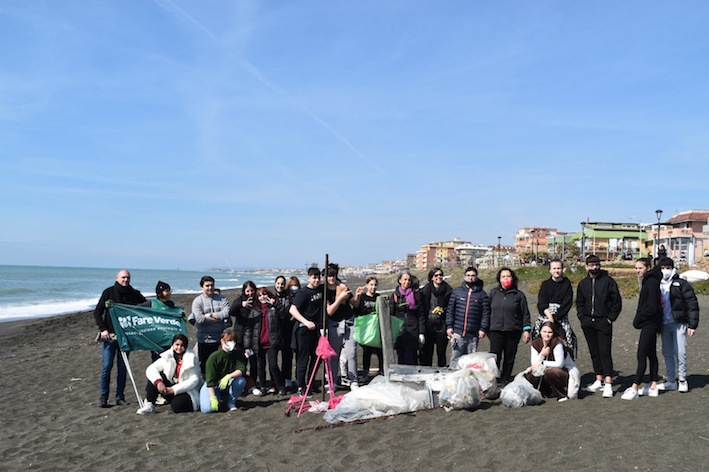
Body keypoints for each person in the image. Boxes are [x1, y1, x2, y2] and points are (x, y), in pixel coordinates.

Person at [93, 269, 147, 408]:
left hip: (125, 337)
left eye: (128, 277)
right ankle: (103, 397)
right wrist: (103, 329)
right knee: (107, 366)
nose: (125, 280)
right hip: (110, 337)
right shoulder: (108, 292)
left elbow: (147, 306)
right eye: (123, 277)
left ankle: (120, 397)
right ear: (117, 278)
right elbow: (98, 312)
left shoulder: (133, 293)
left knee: (123, 367)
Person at [576, 254, 622, 398]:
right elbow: (579, 302)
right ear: (586, 266)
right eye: (591, 265)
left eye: (596, 265)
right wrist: (582, 318)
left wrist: (610, 318)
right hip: (588, 322)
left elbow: (617, 301)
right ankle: (598, 378)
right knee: (594, 351)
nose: (594, 267)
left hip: (604, 321)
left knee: (604, 351)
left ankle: (608, 382)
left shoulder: (608, 281)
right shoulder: (583, 283)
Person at [621, 258, 663, 400]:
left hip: (650, 323)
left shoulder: (651, 282)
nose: (638, 270)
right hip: (650, 322)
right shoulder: (648, 280)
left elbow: (651, 306)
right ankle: (653, 385)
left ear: (648, 267)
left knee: (642, 354)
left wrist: (639, 319)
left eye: (640, 268)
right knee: (651, 353)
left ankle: (634, 387)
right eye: (636, 268)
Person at [657, 257, 700, 393]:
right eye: (662, 268)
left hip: (679, 322)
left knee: (680, 352)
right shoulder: (656, 283)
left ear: (672, 268)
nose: (665, 271)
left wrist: (692, 325)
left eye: (667, 268)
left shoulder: (681, 284)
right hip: (663, 324)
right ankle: (671, 380)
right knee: (667, 352)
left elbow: (691, 303)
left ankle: (682, 379)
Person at [136, 334, 201, 414]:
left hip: (186, 391)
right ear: (173, 345)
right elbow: (151, 368)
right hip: (170, 387)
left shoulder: (192, 359)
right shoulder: (168, 356)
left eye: (182, 345)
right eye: (177, 345)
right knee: (155, 377)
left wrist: (174, 390)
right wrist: (159, 382)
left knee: (177, 406)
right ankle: (149, 405)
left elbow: (194, 380)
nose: (179, 348)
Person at [488, 267, 531, 384]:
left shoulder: (519, 295)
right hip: (495, 330)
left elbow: (525, 313)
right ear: (499, 279)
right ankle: (494, 379)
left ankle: (506, 378)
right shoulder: (493, 293)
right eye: (503, 277)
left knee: (509, 357)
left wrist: (526, 330)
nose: (506, 279)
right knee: (495, 357)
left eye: (508, 276)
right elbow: (487, 311)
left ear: (512, 278)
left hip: (513, 330)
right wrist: (485, 328)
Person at [243, 287, 285, 396]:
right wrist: (247, 345)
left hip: (272, 342)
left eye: (265, 294)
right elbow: (248, 329)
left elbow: (284, 315)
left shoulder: (273, 307)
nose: (263, 297)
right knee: (260, 366)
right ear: (257, 297)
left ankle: (280, 386)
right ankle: (263, 386)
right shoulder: (254, 310)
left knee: (273, 365)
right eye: (260, 295)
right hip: (258, 343)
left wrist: (276, 304)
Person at [445, 267, 490, 368]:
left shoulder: (482, 295)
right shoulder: (457, 292)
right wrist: (449, 326)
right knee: (455, 358)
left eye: (473, 276)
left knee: (470, 360)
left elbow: (485, 313)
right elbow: (450, 310)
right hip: (458, 332)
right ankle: (453, 379)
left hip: (473, 334)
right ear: (464, 277)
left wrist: (483, 329)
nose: (470, 278)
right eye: (468, 275)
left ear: (476, 278)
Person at [289, 267, 324, 395]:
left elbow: (334, 282)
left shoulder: (321, 289)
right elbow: (292, 310)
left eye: (318, 277)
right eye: (314, 277)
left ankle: (311, 383)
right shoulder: (303, 293)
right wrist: (305, 322)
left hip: (316, 330)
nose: (316, 280)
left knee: (316, 358)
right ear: (308, 278)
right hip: (303, 331)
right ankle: (301, 386)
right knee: (302, 359)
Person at [525, 322, 580, 401]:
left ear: (553, 333)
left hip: (565, 371)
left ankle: (561, 395)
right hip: (547, 368)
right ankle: (547, 391)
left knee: (550, 372)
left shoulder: (557, 343)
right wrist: (541, 355)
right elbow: (534, 364)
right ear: (540, 332)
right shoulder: (535, 343)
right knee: (531, 374)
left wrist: (543, 363)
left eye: (549, 332)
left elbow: (559, 364)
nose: (547, 335)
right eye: (544, 332)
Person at [534, 259, 577, 359]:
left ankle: (567, 361)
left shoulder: (567, 284)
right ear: (550, 270)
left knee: (568, 338)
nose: (556, 271)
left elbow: (567, 303)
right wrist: (549, 316)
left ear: (562, 269)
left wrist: (556, 317)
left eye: (558, 268)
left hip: (561, 316)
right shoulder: (545, 284)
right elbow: (541, 302)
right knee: (537, 335)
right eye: (554, 268)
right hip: (545, 315)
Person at [324, 263, 357, 388]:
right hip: (334, 324)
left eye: (333, 276)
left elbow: (354, 303)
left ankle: (354, 380)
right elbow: (329, 311)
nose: (331, 279)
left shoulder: (343, 287)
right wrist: (340, 298)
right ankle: (332, 382)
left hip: (348, 322)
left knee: (351, 353)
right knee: (333, 355)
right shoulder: (325, 291)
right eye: (329, 276)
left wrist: (356, 295)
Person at [191, 276, 231, 376]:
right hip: (204, 340)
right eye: (207, 285)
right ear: (202, 287)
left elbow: (226, 313)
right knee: (205, 366)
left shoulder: (222, 299)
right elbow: (199, 319)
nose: (210, 288)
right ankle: (207, 388)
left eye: (212, 285)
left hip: (220, 339)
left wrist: (210, 315)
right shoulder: (197, 301)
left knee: (220, 365)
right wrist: (218, 319)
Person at [199, 331, 247, 413]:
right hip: (214, 385)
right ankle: (215, 398)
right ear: (222, 341)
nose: (231, 343)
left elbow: (241, 369)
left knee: (241, 381)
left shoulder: (238, 355)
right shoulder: (214, 357)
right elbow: (210, 380)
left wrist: (229, 376)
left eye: (233, 341)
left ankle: (231, 402)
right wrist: (213, 398)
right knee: (207, 409)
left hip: (228, 383)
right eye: (228, 341)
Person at [419, 267, 453, 367]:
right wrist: (421, 330)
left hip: (441, 326)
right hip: (428, 326)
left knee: (441, 353)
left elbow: (451, 308)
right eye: (436, 275)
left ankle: (441, 374)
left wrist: (443, 310)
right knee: (427, 354)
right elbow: (422, 311)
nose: (439, 277)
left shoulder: (448, 290)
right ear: (432, 277)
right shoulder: (425, 291)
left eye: (440, 275)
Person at [390, 271, 425, 365]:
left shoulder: (416, 295)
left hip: (413, 329)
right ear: (400, 281)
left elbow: (421, 315)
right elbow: (391, 314)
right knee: (400, 356)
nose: (407, 282)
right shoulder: (394, 296)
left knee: (411, 357)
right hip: (399, 330)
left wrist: (421, 333)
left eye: (409, 280)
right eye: (405, 279)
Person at [351, 276, 382, 377]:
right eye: (371, 285)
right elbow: (356, 311)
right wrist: (357, 296)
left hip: (376, 329)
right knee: (366, 351)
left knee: (379, 350)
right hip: (366, 329)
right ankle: (365, 372)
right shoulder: (363, 297)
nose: (373, 287)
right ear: (367, 285)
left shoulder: (378, 297)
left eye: (375, 285)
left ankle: (382, 371)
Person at [280, 276, 301, 390]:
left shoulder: (301, 295)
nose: (294, 287)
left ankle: (299, 379)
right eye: (292, 285)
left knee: (299, 354)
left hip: (298, 328)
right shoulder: (286, 297)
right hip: (287, 329)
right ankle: (286, 379)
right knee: (286, 356)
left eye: (296, 285)